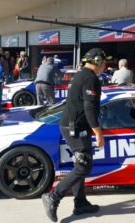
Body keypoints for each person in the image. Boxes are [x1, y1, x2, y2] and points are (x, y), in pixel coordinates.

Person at [42, 48, 107, 222]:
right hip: (76, 128)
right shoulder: (90, 79)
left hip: (73, 125)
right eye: (104, 62)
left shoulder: (81, 75)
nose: (106, 66)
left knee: (81, 163)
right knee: (84, 166)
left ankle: (80, 203)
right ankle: (54, 196)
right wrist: (98, 133)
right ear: (98, 61)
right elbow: (89, 108)